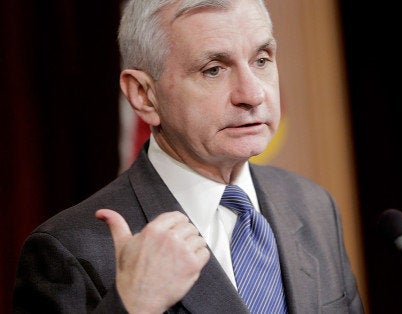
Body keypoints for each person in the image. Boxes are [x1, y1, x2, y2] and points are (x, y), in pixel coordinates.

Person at [12, 0, 364, 312]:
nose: (253, 94)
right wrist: (133, 306)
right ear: (144, 96)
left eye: (261, 60)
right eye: (213, 69)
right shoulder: (71, 250)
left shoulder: (312, 206)